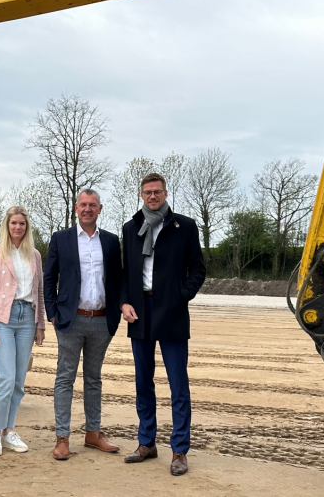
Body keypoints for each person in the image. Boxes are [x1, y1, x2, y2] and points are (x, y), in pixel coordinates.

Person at [120, 173, 206, 476]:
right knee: (143, 382)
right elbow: (125, 273)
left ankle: (179, 450)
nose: (152, 197)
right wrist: (125, 302)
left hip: (171, 310)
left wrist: (180, 297)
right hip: (139, 311)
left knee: (177, 385)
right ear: (141, 195)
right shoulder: (130, 229)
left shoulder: (184, 226)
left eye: (157, 192)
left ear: (165, 193)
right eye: (147, 192)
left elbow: (197, 269)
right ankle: (147, 443)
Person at [44, 189, 122, 460]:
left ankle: (93, 433)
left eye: (93, 205)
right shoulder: (61, 239)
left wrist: (119, 309)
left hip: (102, 321)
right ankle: (62, 437)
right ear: (76, 208)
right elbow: (49, 278)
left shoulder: (111, 242)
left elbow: (118, 280)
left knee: (94, 378)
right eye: (83, 205)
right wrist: (52, 312)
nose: (88, 209)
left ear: (100, 209)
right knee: (65, 378)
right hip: (70, 319)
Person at [0, 206, 46, 456]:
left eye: (22, 224)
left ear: (27, 227)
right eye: (14, 223)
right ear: (7, 226)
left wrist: (40, 325)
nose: (18, 227)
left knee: (19, 381)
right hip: (4, 319)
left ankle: (9, 431)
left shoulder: (35, 255)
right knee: (6, 378)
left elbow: (39, 292)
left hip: (27, 318)